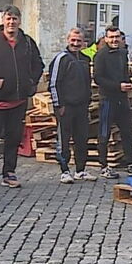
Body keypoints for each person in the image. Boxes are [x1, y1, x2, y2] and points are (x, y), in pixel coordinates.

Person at [0, 5, 44, 189]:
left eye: (15, 18)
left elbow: (38, 64)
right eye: (8, 18)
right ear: (3, 20)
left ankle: (9, 173)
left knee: (14, 138)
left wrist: (31, 81)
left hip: (19, 99)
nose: (11, 22)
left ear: (19, 21)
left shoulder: (27, 42)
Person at [94, 25, 132, 179]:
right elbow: (98, 78)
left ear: (121, 38)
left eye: (117, 37)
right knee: (104, 133)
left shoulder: (123, 53)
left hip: (122, 99)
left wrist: (129, 82)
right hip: (108, 99)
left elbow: (124, 73)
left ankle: (130, 163)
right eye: (111, 37)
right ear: (106, 38)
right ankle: (104, 166)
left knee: (127, 131)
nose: (114, 40)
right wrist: (118, 86)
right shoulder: (100, 55)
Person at [49, 28, 96, 184]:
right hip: (66, 106)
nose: (76, 43)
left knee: (81, 139)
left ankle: (80, 170)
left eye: (79, 41)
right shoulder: (61, 59)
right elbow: (54, 83)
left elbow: (88, 83)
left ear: (84, 42)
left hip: (81, 106)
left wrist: (88, 102)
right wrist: (58, 104)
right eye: (73, 40)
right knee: (64, 139)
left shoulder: (85, 59)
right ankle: (64, 171)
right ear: (68, 40)